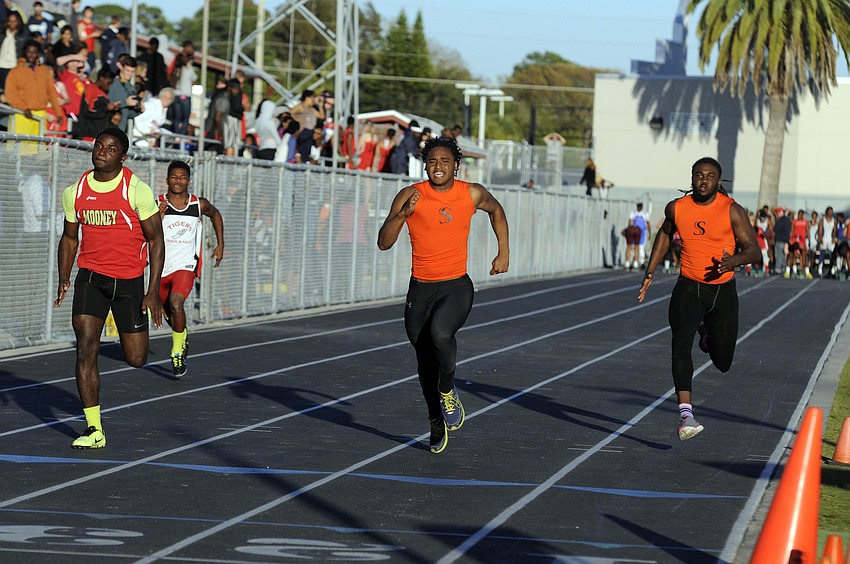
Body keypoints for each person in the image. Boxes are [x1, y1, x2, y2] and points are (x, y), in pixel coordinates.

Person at [377, 136, 510, 454]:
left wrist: (503, 253)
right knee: (424, 362)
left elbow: (497, 211)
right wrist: (401, 215)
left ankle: (448, 390)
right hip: (420, 288)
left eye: (445, 161)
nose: (438, 167)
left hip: (455, 286)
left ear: (456, 165)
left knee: (440, 333)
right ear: (425, 164)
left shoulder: (471, 193)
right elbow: (383, 242)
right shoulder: (411, 195)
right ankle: (436, 421)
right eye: (433, 161)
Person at [53, 127, 165, 449]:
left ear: (123, 156)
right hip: (91, 276)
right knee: (86, 346)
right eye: (99, 145)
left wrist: (153, 289)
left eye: (111, 148)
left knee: (136, 358)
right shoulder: (74, 192)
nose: (102, 151)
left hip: (129, 280)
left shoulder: (136, 190)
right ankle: (93, 428)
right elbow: (70, 237)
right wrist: (64, 276)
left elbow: (156, 240)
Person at [637, 157, 759, 441]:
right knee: (680, 345)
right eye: (699, 175)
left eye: (710, 176)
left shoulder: (732, 211)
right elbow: (665, 234)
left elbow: (755, 250)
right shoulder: (677, 208)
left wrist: (734, 261)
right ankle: (686, 414)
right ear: (692, 178)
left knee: (722, 360)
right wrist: (650, 271)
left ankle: (706, 333)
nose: (704, 180)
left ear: (719, 181)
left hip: (722, 290)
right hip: (688, 286)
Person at [157, 160, 224, 377]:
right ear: (167, 180)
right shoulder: (157, 203)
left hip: (185, 266)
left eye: (183, 177)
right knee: (169, 313)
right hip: (161, 268)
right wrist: (157, 218)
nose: (178, 181)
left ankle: (176, 352)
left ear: (189, 181)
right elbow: (145, 231)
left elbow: (215, 214)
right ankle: (182, 336)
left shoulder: (198, 204)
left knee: (177, 304)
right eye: (174, 177)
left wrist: (220, 244)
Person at [4, 40, 65, 137]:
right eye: (29, 52)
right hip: (21, 114)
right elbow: (10, 94)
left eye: (34, 52)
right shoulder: (15, 71)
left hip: (40, 114)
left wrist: (58, 113)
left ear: (38, 53)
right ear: (24, 52)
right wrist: (23, 108)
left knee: (37, 148)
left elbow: (52, 93)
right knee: (18, 148)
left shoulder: (44, 71)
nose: (31, 55)